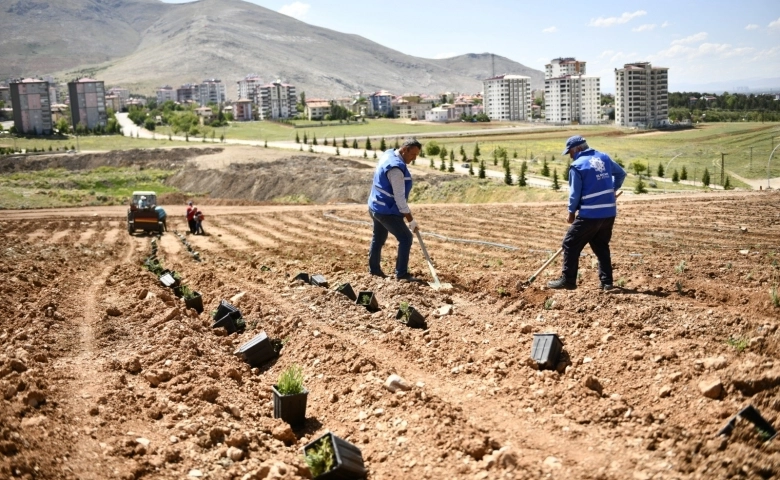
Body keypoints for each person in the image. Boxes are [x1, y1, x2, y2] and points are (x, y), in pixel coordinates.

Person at [548, 135, 626, 291]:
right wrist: (612, 190)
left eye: (570, 152)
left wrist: (571, 213)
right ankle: (607, 283)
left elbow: (575, 194)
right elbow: (621, 174)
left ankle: (568, 280)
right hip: (609, 212)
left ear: (577, 149)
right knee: (601, 245)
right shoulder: (603, 157)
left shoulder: (577, 166)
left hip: (590, 214)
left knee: (570, 243)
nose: (570, 155)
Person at [367, 138, 423, 282]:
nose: (414, 158)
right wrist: (411, 220)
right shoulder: (396, 169)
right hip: (386, 210)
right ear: (404, 150)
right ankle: (402, 274)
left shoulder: (389, 153)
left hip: (375, 205)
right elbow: (399, 199)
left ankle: (374, 271)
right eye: (413, 155)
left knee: (378, 238)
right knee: (405, 238)